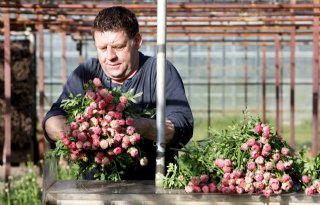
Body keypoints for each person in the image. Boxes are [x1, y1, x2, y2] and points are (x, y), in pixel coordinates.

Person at [42, 6, 194, 180]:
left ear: (136, 41)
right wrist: (74, 133)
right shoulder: (86, 73)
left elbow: (182, 125)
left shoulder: (158, 71)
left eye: (118, 46)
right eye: (102, 48)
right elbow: (52, 119)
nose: (110, 56)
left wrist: (138, 126)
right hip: (95, 191)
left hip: (151, 189)